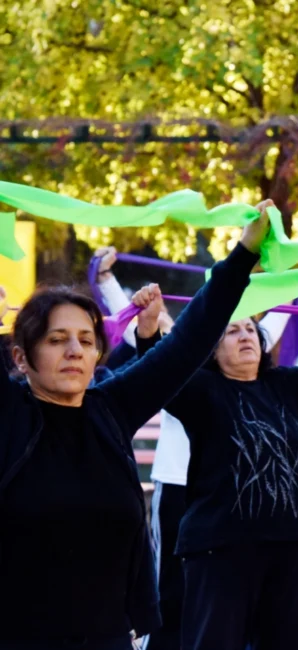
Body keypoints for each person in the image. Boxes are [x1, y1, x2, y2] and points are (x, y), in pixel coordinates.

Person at [0, 212, 268, 650]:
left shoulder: (111, 409)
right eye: (56, 340)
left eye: (86, 341)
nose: (74, 351)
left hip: (108, 638)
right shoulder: (9, 414)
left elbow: (188, 341)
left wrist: (244, 255)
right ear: (21, 357)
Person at [93, 246, 292, 650]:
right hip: (176, 480)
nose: (240, 333)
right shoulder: (177, 354)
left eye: (245, 327)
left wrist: (286, 277)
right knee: (171, 586)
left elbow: (281, 312)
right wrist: (105, 279)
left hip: (225, 496)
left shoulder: (242, 349)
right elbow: (143, 330)